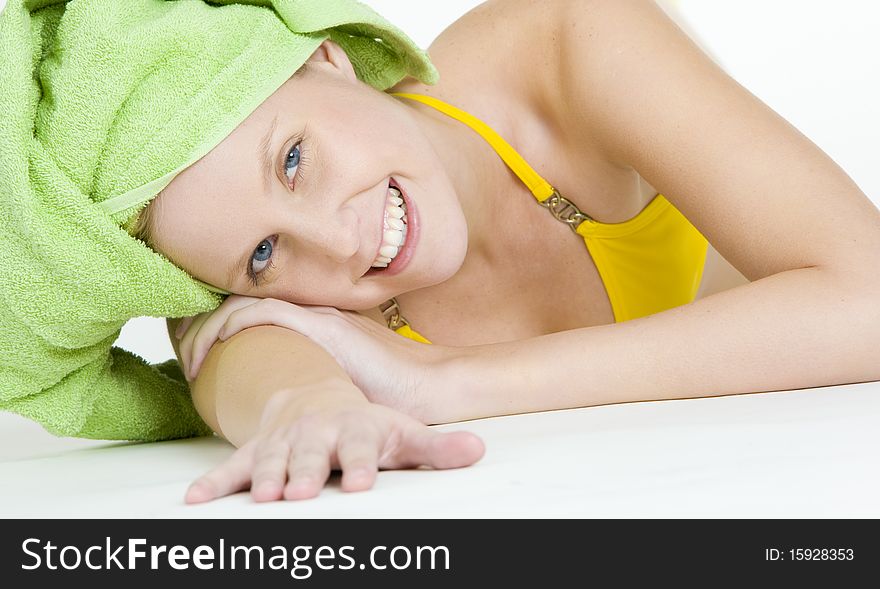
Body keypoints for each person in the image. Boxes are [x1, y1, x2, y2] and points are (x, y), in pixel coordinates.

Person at [5, 0, 879, 505]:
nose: (337, 241)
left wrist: (450, 382)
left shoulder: (567, 40)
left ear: (331, 58)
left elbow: (866, 299)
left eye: (295, 159)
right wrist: (304, 411)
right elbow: (269, 381)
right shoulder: (270, 297)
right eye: (264, 253)